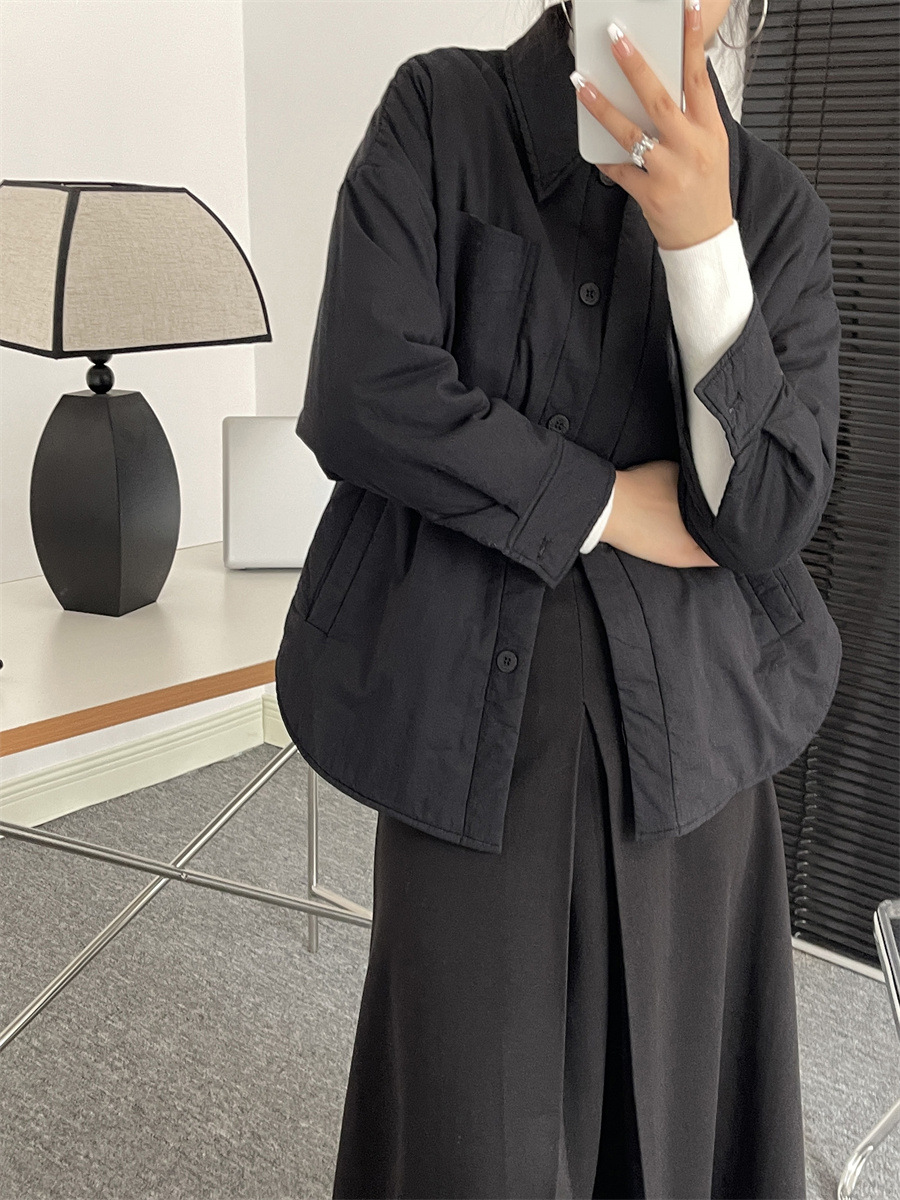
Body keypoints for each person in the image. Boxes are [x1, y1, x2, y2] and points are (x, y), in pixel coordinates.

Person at [275, 0, 844, 1196]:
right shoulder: (441, 112)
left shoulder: (774, 209)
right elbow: (363, 393)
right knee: (468, 1133)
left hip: (692, 742)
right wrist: (609, 503)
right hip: (466, 732)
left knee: (678, 1127)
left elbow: (765, 516)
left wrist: (701, 246)